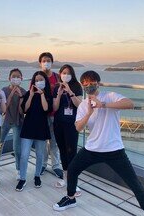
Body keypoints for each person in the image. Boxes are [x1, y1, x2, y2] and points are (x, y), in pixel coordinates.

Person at [53, 71, 144, 216]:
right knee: (72, 169)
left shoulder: (110, 96)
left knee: (134, 183)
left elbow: (130, 104)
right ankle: (71, 198)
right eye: (85, 83)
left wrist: (103, 105)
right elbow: (78, 127)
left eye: (92, 82)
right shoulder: (83, 105)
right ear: (82, 86)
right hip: (91, 149)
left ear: (98, 83)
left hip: (114, 150)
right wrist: (89, 112)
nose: (89, 85)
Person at [16, 71, 52, 192]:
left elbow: (46, 109)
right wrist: (31, 95)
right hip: (28, 127)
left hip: (41, 128)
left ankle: (37, 176)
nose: (38, 82)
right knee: (24, 155)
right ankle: (22, 178)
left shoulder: (47, 94)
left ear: (45, 81)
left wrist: (41, 94)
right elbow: (25, 109)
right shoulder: (28, 94)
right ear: (33, 82)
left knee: (40, 154)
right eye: (36, 80)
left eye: (41, 79)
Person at [53, 64, 83, 196]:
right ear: (60, 74)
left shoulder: (77, 86)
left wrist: (70, 91)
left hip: (72, 124)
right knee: (63, 151)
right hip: (59, 123)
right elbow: (55, 107)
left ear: (72, 74)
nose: (65, 75)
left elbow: (80, 105)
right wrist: (59, 94)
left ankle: (73, 182)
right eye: (63, 73)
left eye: (68, 73)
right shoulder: (56, 87)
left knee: (72, 152)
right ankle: (65, 178)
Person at [38, 52, 63, 179]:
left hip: (55, 114)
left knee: (54, 142)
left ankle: (56, 165)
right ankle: (42, 164)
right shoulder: (38, 78)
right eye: (44, 60)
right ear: (40, 63)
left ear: (52, 62)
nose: (46, 63)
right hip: (42, 115)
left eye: (48, 60)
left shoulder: (58, 77)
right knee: (42, 142)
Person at [0, 68, 26, 180]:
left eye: (18, 77)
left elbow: (22, 111)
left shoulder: (24, 91)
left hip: (18, 121)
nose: (16, 78)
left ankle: (19, 169)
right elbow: (4, 108)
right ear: (9, 78)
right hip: (5, 120)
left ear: (21, 78)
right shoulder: (4, 90)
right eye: (13, 76)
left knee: (17, 147)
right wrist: (11, 94)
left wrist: (20, 96)